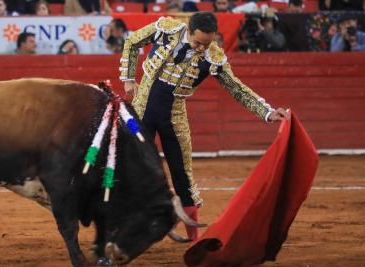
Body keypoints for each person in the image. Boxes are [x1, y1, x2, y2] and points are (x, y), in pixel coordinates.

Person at [118, 12, 289, 240]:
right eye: (198, 42)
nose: (201, 48)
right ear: (188, 30)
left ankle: (193, 241)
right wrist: (129, 78)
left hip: (174, 120)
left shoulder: (213, 56)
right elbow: (132, 41)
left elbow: (236, 88)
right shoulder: (166, 29)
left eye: (206, 44)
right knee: (126, 168)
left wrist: (267, 112)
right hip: (140, 113)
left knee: (183, 177)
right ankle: (120, 233)